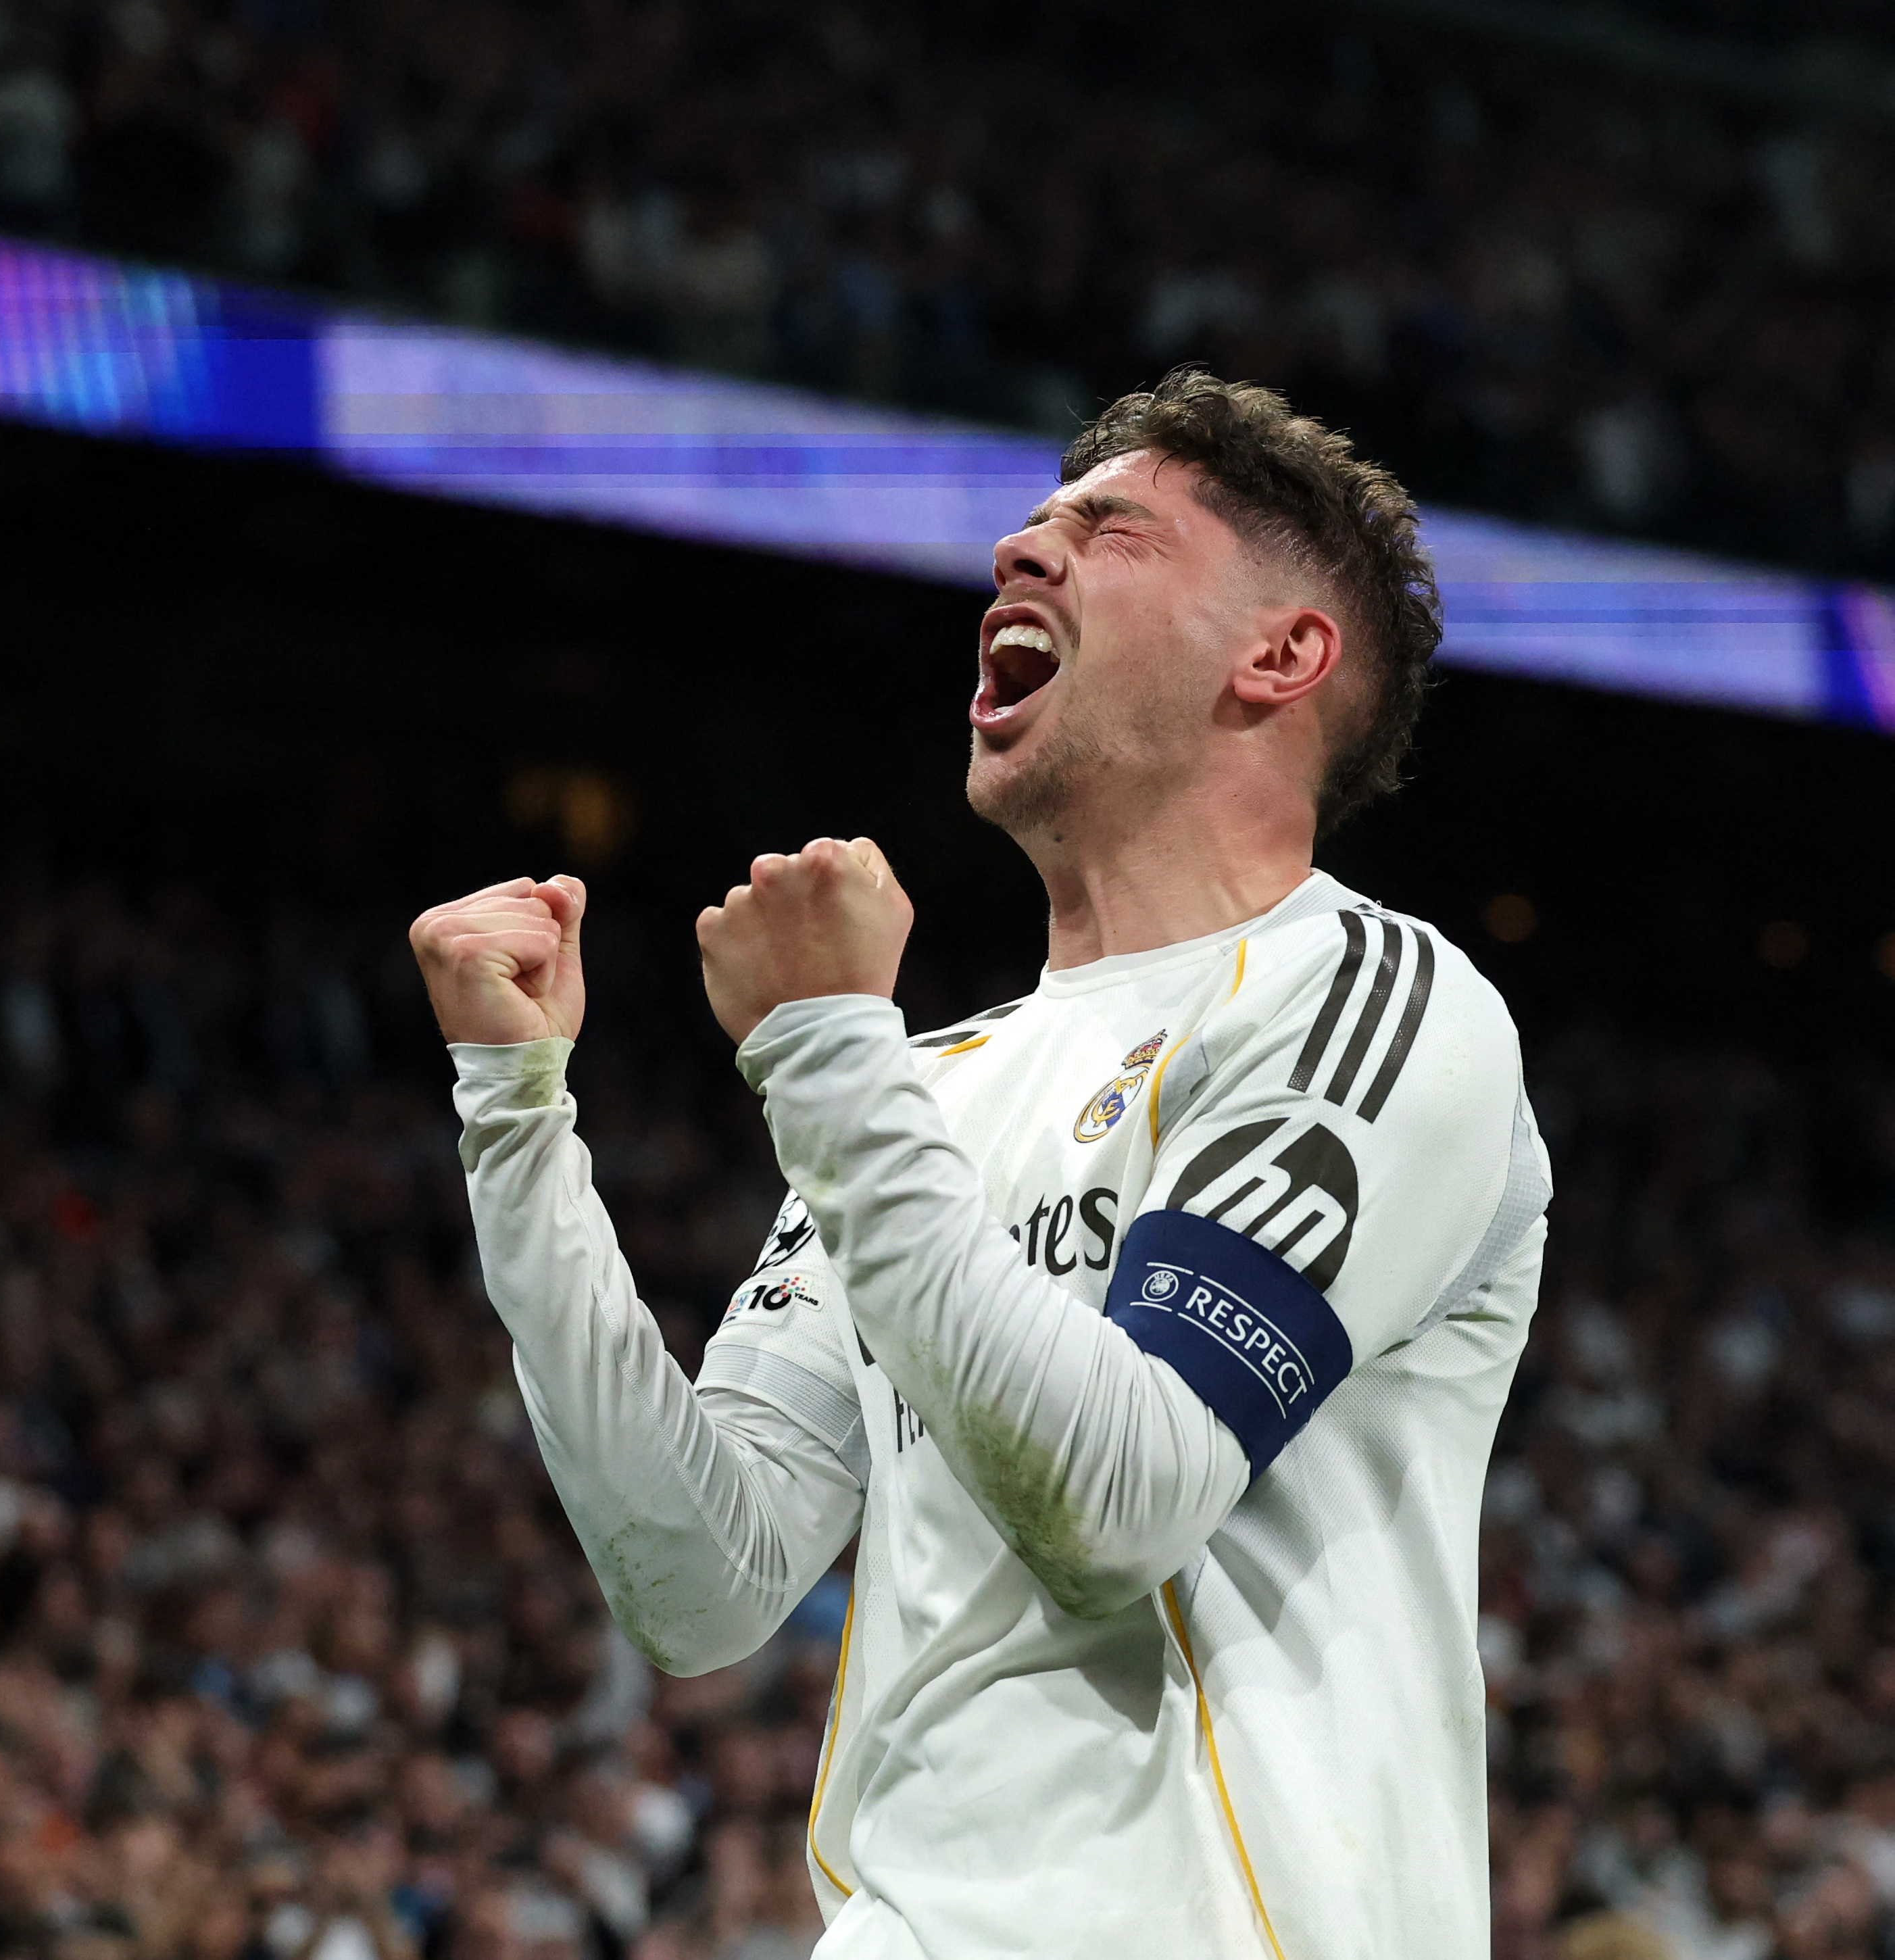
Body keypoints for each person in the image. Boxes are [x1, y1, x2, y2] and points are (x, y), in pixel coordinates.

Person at [410, 369, 1550, 1959]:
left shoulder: (1372, 999)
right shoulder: (920, 1086)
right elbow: (702, 1575)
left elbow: (1125, 1496)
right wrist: (517, 1113)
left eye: (1109, 530)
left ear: (1281, 656)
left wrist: (821, 1051)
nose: (1023, 552)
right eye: (1028, 524)